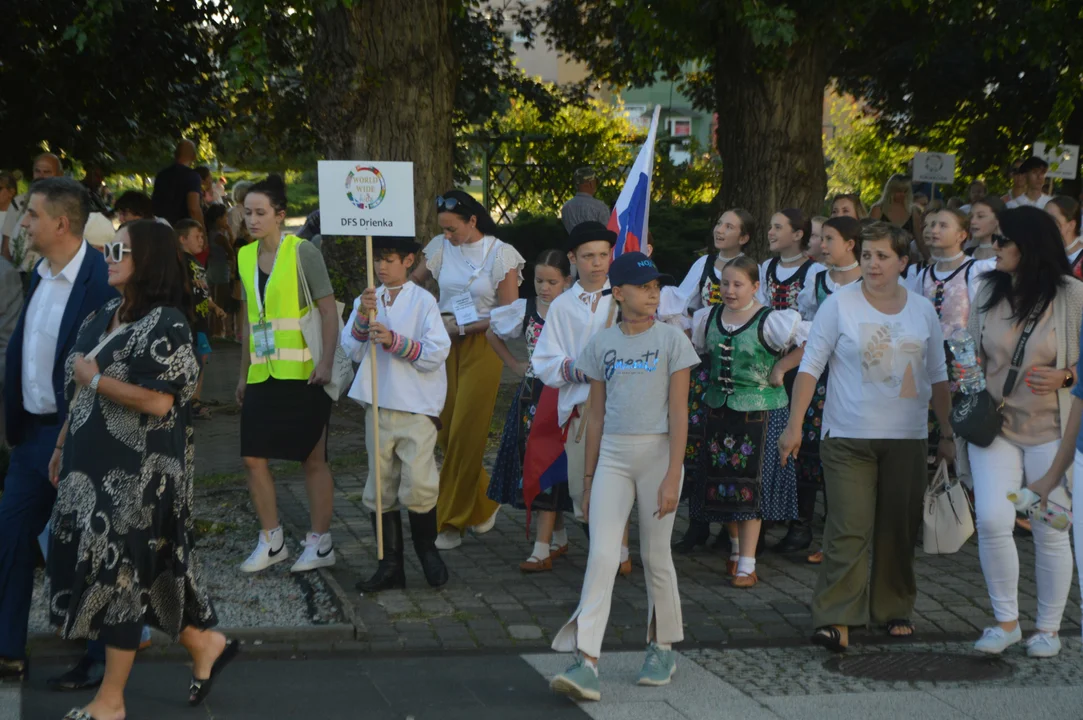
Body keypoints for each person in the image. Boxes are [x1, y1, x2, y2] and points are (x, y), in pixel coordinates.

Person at [48, 220, 239, 719]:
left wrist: (95, 383)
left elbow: (158, 402)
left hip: (139, 477)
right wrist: (62, 444)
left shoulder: (167, 322)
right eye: (109, 247)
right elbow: (78, 388)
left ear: (147, 260)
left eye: (120, 250)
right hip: (90, 470)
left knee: (120, 582)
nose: (108, 256)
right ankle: (204, 645)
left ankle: (110, 702)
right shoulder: (104, 314)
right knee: (150, 575)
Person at [779, 221, 954, 651]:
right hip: (847, 436)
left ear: (903, 262)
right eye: (868, 255)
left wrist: (947, 433)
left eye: (883, 256)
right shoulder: (839, 305)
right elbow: (810, 367)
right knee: (848, 527)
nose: (872, 264)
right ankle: (836, 616)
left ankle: (894, 608)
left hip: (907, 437)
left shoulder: (922, 310)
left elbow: (937, 376)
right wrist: (795, 424)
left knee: (898, 527)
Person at [548, 251, 698, 702]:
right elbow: (595, 415)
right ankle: (586, 660)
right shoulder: (601, 343)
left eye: (656, 287)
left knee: (655, 556)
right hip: (612, 455)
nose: (653, 294)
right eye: (643, 286)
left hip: (658, 456)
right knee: (602, 556)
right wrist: (589, 480)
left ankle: (662, 646)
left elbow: (679, 413)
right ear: (619, 292)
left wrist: (673, 474)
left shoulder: (673, 340)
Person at [0, 178, 116, 682]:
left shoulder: (102, 279)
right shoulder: (38, 273)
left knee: (85, 546)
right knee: (11, 536)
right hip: (30, 436)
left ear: (61, 224)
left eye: (32, 215)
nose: (23, 223)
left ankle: (97, 657)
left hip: (81, 434)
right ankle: (8, 650)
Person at [963, 207, 1082, 658]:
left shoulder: (1073, 296)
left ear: (1028, 247)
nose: (993, 249)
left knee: (1049, 527)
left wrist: (1067, 375)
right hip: (996, 429)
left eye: (1002, 241)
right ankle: (1006, 622)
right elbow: (973, 354)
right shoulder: (987, 292)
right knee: (993, 518)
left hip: (1053, 431)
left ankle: (1048, 629)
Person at [409, 190, 525, 549]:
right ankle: (485, 502)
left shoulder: (500, 253)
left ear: (472, 221)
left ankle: (450, 521)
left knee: (466, 432)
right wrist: (428, 317)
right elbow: (413, 285)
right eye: (443, 229)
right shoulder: (440, 248)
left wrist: (462, 327)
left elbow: (509, 315)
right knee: (443, 429)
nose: (447, 235)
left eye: (453, 229)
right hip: (442, 344)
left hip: (483, 344)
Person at [236, 175, 339, 573]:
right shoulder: (245, 257)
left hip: (305, 373)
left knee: (313, 458)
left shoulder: (303, 253)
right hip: (263, 374)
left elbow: (328, 311)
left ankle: (320, 542)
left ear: (281, 215)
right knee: (252, 457)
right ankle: (271, 538)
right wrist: (243, 375)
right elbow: (248, 321)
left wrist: (326, 362)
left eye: (261, 213)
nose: (253, 220)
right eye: (248, 213)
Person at [341, 236, 452, 592]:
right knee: (380, 484)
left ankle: (427, 552)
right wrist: (361, 314)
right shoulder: (366, 299)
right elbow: (352, 349)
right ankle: (390, 565)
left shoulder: (424, 301)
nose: (381, 267)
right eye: (377, 260)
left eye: (388, 259)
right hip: (377, 403)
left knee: (419, 482)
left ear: (408, 261)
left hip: (416, 406)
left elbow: (437, 351)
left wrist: (394, 341)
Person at [690, 257, 809, 587]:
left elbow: (813, 342)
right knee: (722, 487)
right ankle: (735, 549)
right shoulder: (708, 317)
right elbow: (697, 351)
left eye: (737, 284)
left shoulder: (772, 321)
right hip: (719, 410)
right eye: (725, 284)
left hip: (762, 412)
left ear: (756, 287)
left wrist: (782, 368)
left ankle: (747, 563)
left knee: (749, 488)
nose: (729, 290)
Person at [531, 221, 632, 572]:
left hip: (621, 407)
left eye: (604, 255)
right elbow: (544, 359)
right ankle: (602, 543)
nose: (597, 263)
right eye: (588, 256)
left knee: (617, 479)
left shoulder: (623, 299)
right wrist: (578, 370)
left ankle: (617, 551)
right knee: (581, 485)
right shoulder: (562, 306)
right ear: (573, 258)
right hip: (579, 407)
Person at [660, 209, 755, 554]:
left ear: (743, 237)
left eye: (729, 226)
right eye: (718, 223)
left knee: (728, 445)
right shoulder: (702, 266)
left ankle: (732, 528)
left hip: (736, 370)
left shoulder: (748, 270)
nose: (720, 229)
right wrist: (689, 334)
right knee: (696, 444)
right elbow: (679, 304)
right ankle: (698, 523)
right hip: (702, 365)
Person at [486, 249, 574, 571]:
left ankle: (543, 546)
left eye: (552, 281)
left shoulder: (574, 310)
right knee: (534, 462)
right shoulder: (525, 309)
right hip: (531, 396)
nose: (544, 287)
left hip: (563, 394)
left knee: (554, 464)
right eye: (539, 280)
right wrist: (514, 363)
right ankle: (557, 537)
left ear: (567, 281)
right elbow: (490, 333)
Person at [795, 216, 864, 566]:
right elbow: (803, 322)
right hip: (818, 377)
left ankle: (834, 534)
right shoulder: (817, 279)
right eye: (821, 238)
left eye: (829, 238)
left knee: (841, 458)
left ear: (850, 244)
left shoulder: (867, 283)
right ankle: (802, 526)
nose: (821, 244)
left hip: (851, 379)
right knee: (809, 449)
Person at [756, 208, 825, 554]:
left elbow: (815, 327)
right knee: (768, 440)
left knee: (803, 445)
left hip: (803, 364)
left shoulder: (815, 272)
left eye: (778, 227)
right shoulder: (765, 269)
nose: (770, 231)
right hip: (768, 360)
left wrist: (788, 360)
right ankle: (763, 517)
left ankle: (801, 525)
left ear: (798, 234)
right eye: (771, 226)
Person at [176, 219, 226, 419]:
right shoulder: (179, 262)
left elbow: (203, 292)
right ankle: (188, 399)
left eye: (202, 236)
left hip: (202, 322)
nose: (201, 240)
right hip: (190, 321)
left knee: (202, 357)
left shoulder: (196, 262)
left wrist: (214, 307)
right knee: (194, 359)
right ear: (182, 239)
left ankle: (195, 398)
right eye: (196, 237)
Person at [3, 153, 62, 285]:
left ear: (59, 175)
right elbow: (6, 248)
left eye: (47, 172)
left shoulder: (66, 206)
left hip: (52, 276)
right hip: (19, 277)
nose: (41, 176)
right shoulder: (18, 203)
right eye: (37, 171)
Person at [151, 139, 205, 227]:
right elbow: (193, 208)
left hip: (161, 228)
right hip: (183, 231)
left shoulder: (161, 175)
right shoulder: (192, 176)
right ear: (194, 156)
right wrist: (202, 234)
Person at [869, 173, 923, 239]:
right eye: (899, 191)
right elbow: (870, 235)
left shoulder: (913, 211)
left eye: (905, 191)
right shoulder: (878, 209)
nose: (902, 194)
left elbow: (919, 239)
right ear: (890, 191)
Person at [560, 168, 610, 234]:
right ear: (591, 184)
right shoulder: (600, 207)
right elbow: (607, 231)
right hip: (596, 243)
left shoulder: (566, 207)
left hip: (574, 243)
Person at [1045, 195, 1083, 279]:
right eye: (1043, 218)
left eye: (1052, 220)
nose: (1044, 224)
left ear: (1071, 225)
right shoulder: (1041, 251)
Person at [967, 195, 1006, 261]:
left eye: (980, 216)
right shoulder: (967, 255)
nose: (972, 221)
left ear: (998, 219)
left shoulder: (1009, 256)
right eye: (971, 216)